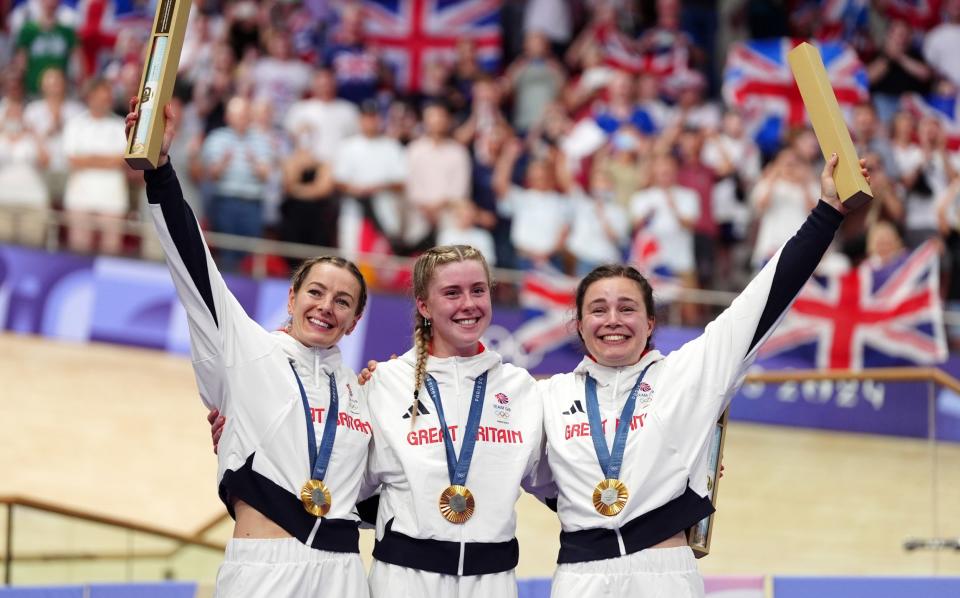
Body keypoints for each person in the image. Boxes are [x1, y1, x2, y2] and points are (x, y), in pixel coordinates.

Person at [539, 154, 869, 598]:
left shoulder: (688, 371)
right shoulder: (548, 397)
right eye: (597, 309)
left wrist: (827, 212)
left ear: (651, 322)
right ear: (578, 324)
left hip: (666, 573)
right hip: (581, 575)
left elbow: (765, 297)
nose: (612, 319)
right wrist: (595, 509)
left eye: (628, 308)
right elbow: (515, 471)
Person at [126, 100, 372, 598]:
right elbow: (194, 266)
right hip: (265, 569)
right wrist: (161, 171)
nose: (326, 307)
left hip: (345, 572)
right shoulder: (246, 348)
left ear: (354, 321)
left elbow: (375, 496)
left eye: (343, 301)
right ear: (292, 297)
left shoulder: (360, 392)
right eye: (316, 293)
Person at [361, 245, 554, 598]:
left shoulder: (521, 388)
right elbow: (349, 484)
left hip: (493, 581)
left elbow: (561, 482)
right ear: (423, 305)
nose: (469, 304)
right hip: (404, 581)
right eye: (452, 293)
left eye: (478, 290)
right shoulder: (385, 383)